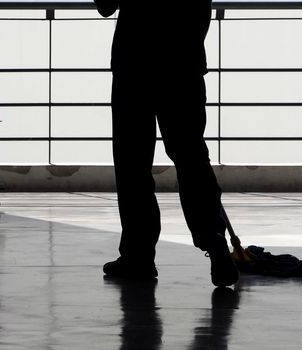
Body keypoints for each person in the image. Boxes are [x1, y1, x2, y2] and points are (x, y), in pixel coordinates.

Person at [94, 0, 239, 287]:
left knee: (133, 163)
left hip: (134, 66)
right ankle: (215, 241)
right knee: (192, 157)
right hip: (184, 66)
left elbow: (105, 4)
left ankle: (139, 255)